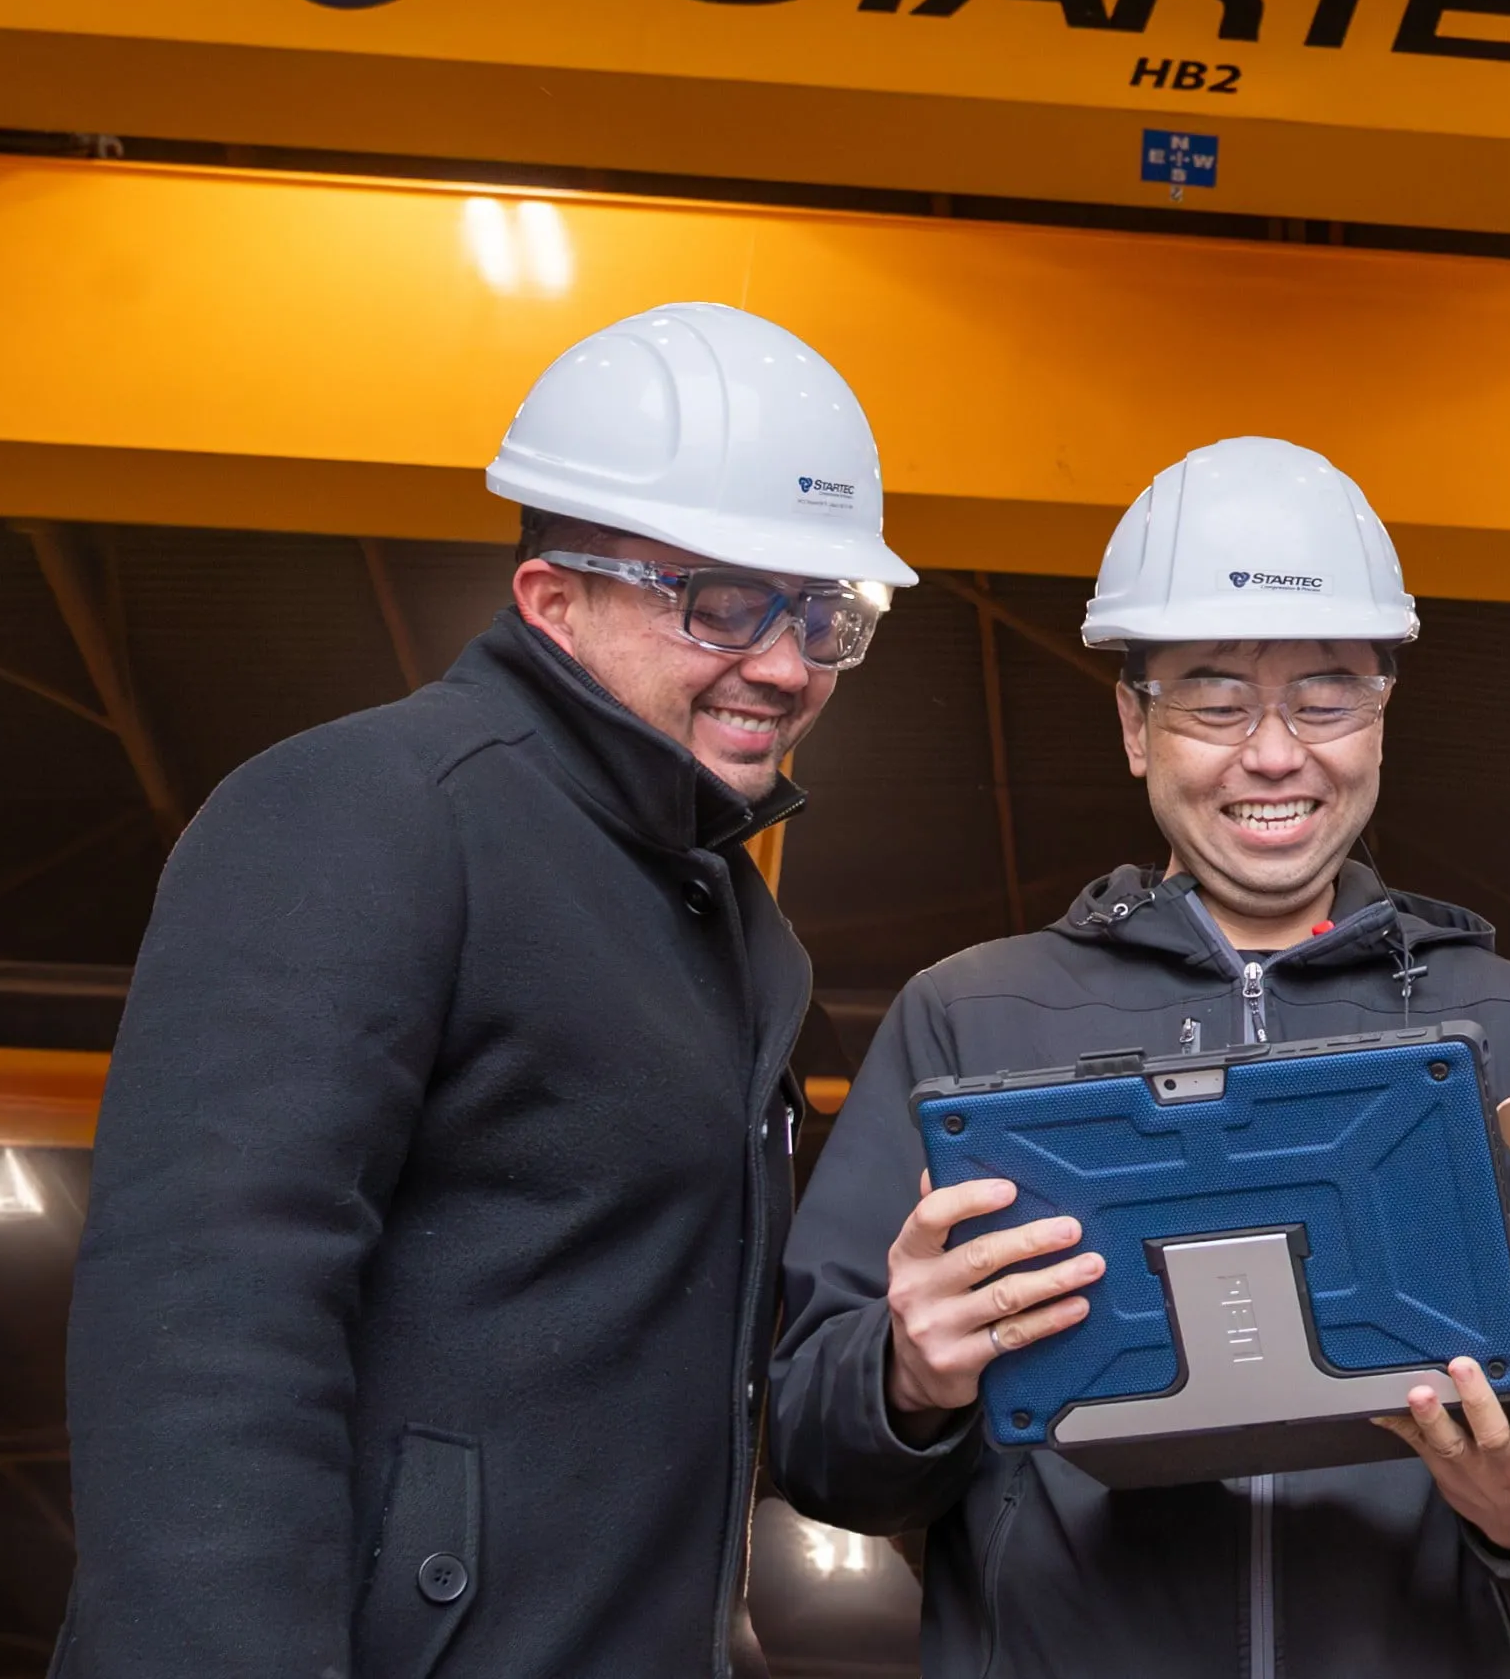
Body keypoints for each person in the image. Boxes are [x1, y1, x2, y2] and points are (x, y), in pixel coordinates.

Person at [58, 303, 920, 1677]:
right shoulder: (368, 811)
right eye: (719, 602)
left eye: (822, 615)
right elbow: (206, 1325)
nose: (782, 664)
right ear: (550, 598)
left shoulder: (729, 930)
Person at [767, 436, 1510, 1674]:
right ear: (1135, 726)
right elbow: (812, 1444)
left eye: (1328, 696)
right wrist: (905, 1372)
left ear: (1383, 719)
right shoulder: (971, 1016)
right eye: (1216, 699)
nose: (1276, 753)